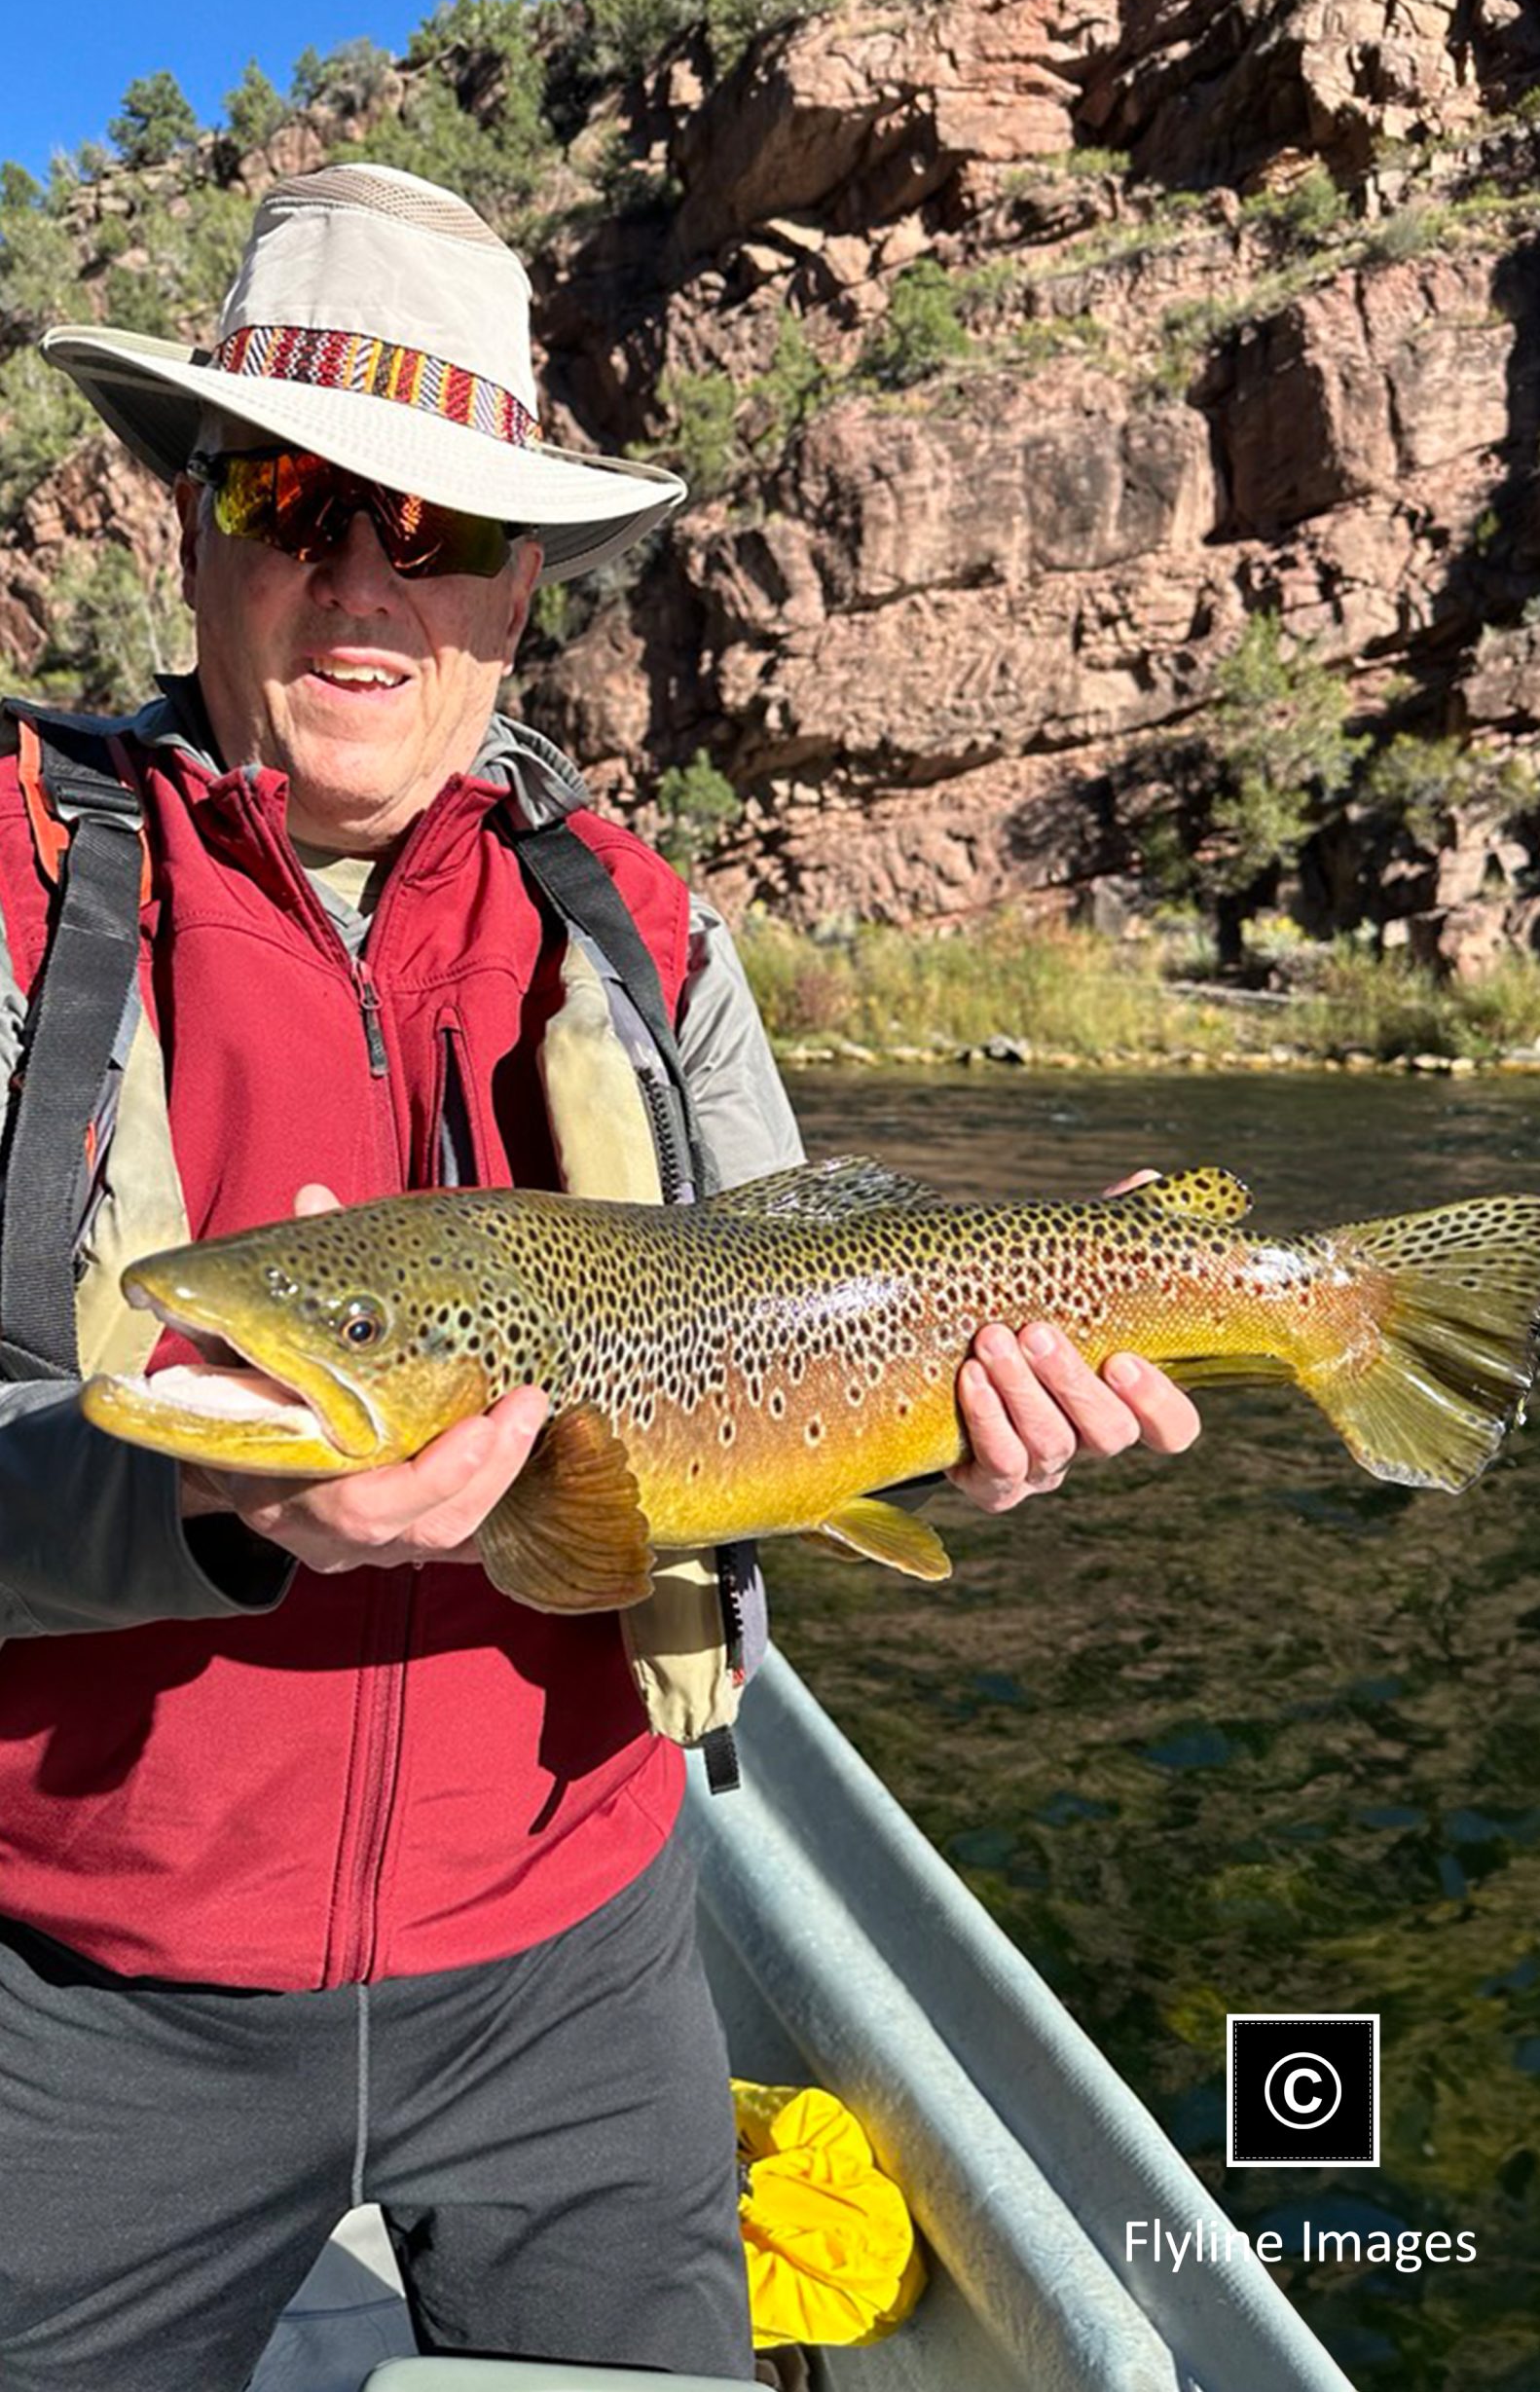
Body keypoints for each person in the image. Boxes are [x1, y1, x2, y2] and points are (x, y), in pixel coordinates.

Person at [0, 165, 1199, 2392]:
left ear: (520, 584)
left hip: (578, 1951)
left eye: (439, 530)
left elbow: (790, 1368)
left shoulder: (643, 933)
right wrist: (192, 1505)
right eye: (295, 495)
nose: (367, 586)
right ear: (189, 520)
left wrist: (965, 1451)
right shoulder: (8, 896)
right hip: (89, 1983)